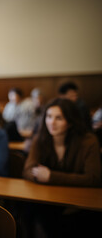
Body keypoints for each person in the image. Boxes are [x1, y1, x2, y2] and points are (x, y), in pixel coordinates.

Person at [22, 98, 101, 237]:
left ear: (70, 121)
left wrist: (51, 176)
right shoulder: (40, 138)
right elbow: (28, 170)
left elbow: (93, 179)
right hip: (48, 201)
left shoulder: (89, 141)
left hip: (79, 203)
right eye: (49, 116)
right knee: (29, 210)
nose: (52, 122)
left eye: (59, 118)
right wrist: (37, 174)